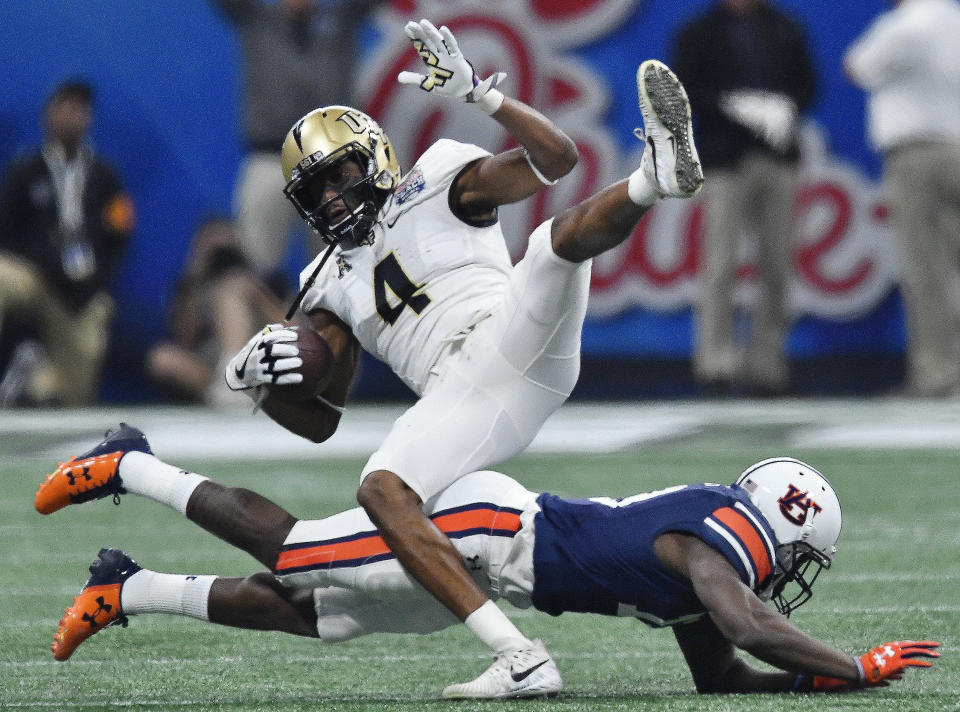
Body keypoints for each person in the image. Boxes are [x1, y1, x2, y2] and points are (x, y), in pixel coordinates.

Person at [217, 19, 704, 695]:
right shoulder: (323, 283)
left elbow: (556, 160)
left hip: (511, 333)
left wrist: (483, 96)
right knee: (385, 491)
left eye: (340, 176)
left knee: (550, 246)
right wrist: (255, 379)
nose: (331, 198)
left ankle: (654, 178)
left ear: (374, 157)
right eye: (315, 192)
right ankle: (518, 654)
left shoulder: (438, 176)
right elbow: (320, 418)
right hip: (462, 394)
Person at [35, 425, 939, 697]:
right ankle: (132, 464)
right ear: (787, 536)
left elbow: (724, 672)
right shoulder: (727, 541)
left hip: (501, 572)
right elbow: (748, 621)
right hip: (486, 534)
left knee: (323, 614)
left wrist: (809, 686)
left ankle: (128, 589)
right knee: (303, 547)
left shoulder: (714, 556)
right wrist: (854, 668)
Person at [672, 0, 816, 397]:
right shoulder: (699, 31)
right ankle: (715, 364)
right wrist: (732, 105)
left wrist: (783, 108)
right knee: (720, 263)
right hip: (724, 161)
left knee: (777, 264)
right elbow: (683, 92)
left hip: (777, 158)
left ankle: (767, 366)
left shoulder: (785, 27)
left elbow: (807, 84)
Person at [209, 0, 384, 277]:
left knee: (339, 263)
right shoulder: (258, 19)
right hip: (271, 155)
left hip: (332, 161)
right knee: (254, 262)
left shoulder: (339, 19)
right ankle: (256, 318)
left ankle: (334, 318)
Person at [844, 0, 960, 398]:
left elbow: (856, 67)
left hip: (917, 155)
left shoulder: (904, 25)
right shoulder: (954, 21)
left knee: (927, 269)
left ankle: (938, 374)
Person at [0, 80, 134, 406]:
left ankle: (36, 379)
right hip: (36, 276)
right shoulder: (26, 171)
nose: (74, 115)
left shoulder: (104, 175)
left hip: (82, 285)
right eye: (67, 107)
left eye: (81, 109)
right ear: (49, 115)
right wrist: (45, 258)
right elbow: (6, 231)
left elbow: (120, 233)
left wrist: (96, 281)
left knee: (75, 396)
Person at [145, 215, 289, 408]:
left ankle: (238, 381)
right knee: (161, 358)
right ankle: (229, 392)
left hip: (260, 363)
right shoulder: (193, 286)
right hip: (212, 371)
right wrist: (195, 276)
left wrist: (257, 296)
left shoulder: (266, 280)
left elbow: (295, 330)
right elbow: (185, 337)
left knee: (233, 289)